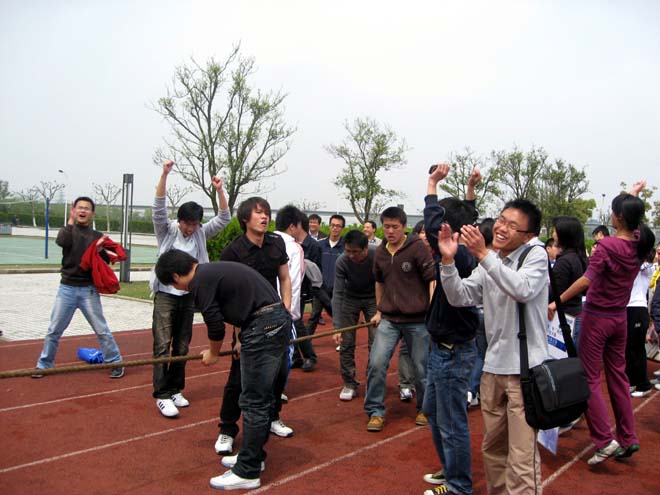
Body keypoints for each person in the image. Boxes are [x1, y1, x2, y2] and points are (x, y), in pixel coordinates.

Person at [154, 250, 291, 491]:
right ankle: (253, 456)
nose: (179, 289)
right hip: (272, 320)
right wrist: (240, 339)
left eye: (173, 285)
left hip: (264, 325)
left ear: (176, 276)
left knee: (254, 401)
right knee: (260, 398)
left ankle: (248, 470)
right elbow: (241, 303)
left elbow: (216, 326)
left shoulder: (199, 282)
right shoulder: (212, 271)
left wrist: (213, 353)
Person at [439, 197, 549, 495]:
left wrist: (483, 254)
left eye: (512, 226)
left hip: (525, 371)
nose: (501, 228)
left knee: (522, 457)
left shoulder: (535, 256)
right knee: (493, 450)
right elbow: (460, 296)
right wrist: (448, 262)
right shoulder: (493, 259)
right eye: (501, 220)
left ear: (528, 236)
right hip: (493, 367)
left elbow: (522, 289)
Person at [549, 181, 655, 465]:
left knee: (590, 377)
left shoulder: (607, 246)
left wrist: (556, 301)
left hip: (597, 317)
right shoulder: (640, 243)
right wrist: (633, 196)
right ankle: (628, 437)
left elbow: (586, 280)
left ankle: (604, 440)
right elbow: (635, 223)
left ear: (619, 216)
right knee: (618, 377)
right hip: (620, 318)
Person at [150, 159, 230, 418]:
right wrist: (164, 175)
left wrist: (220, 190)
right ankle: (161, 394)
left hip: (188, 296)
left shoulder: (200, 234)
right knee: (163, 344)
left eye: (195, 224)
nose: (190, 228)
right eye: (187, 223)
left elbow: (224, 218)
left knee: (182, 345)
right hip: (166, 294)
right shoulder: (167, 231)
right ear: (180, 220)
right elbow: (158, 208)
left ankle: (175, 388)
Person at [214, 197, 294, 457]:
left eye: (266, 212)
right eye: (258, 213)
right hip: (247, 323)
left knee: (279, 374)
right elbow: (230, 297)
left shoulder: (276, 243)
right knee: (238, 379)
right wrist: (238, 337)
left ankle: (273, 417)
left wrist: (285, 311)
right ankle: (227, 429)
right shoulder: (233, 251)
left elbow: (285, 278)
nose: (264, 217)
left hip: (276, 321)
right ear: (245, 219)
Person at [422, 164, 480, 495]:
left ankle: (459, 485)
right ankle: (450, 469)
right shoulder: (461, 250)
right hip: (442, 348)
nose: (435, 231)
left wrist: (432, 183)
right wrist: (470, 191)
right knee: (433, 412)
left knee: (452, 421)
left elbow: (433, 223)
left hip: (452, 352)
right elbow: (465, 217)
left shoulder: (458, 256)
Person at [34, 197, 125, 379]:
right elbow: (62, 241)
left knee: (101, 330)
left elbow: (106, 260)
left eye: (87, 208)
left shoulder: (97, 236)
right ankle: (44, 365)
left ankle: (116, 363)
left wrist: (99, 250)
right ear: (74, 211)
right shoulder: (67, 231)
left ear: (92, 213)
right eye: (80, 208)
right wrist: (70, 220)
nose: (83, 211)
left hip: (88, 290)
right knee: (54, 330)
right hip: (66, 289)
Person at [365, 206, 435, 432]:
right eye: (386, 227)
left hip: (418, 320)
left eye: (395, 227)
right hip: (389, 319)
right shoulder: (380, 252)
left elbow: (432, 280)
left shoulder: (417, 248)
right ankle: (375, 411)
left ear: (404, 227)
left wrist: (431, 312)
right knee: (376, 363)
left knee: (422, 368)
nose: (390, 231)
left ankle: (425, 408)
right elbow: (379, 282)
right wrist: (379, 310)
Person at [332, 229, 378, 400]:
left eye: (355, 252)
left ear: (365, 248)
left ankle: (373, 382)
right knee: (346, 342)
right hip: (350, 298)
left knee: (376, 342)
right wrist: (337, 326)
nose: (351, 255)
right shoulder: (342, 261)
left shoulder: (377, 256)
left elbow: (386, 284)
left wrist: (381, 310)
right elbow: (337, 293)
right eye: (348, 251)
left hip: (374, 298)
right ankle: (349, 383)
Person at [274, 205, 317, 372]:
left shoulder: (268, 241)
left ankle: (306, 356)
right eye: (299, 225)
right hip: (284, 301)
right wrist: (291, 309)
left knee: (295, 327)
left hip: (275, 301)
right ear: (292, 226)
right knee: (294, 327)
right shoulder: (293, 248)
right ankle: (302, 357)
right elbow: (293, 281)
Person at [548, 216, 588, 352]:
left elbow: (555, 292)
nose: (553, 234)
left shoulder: (564, 261)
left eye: (555, 231)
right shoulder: (579, 258)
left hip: (562, 317)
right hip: (576, 313)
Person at [625, 232, 655, 398]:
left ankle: (643, 384)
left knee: (636, 349)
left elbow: (641, 264)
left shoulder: (647, 266)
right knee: (628, 349)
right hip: (628, 309)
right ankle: (631, 381)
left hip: (638, 309)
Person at [306, 214, 345, 334]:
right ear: (329, 226)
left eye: (338, 226)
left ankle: (342, 338)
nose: (335, 228)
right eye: (333, 225)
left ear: (342, 228)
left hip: (338, 288)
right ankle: (305, 341)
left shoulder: (345, 247)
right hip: (320, 287)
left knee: (338, 315)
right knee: (314, 315)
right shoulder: (319, 245)